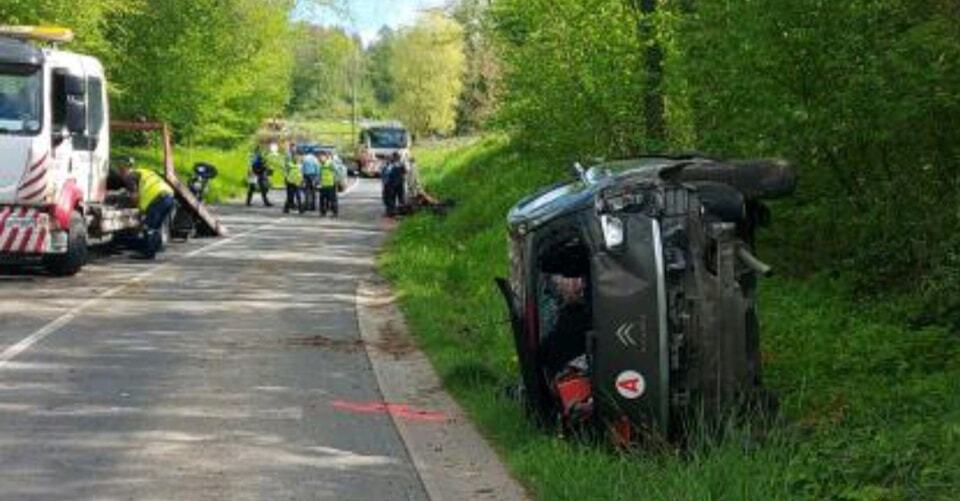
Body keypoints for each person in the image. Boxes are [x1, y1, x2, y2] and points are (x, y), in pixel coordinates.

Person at [118, 162, 176, 259]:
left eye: (121, 172)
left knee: (148, 226)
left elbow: (135, 196)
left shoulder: (130, 177)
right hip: (169, 196)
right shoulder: (144, 172)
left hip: (157, 199)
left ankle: (148, 253)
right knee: (156, 226)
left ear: (124, 170)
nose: (121, 176)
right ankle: (156, 247)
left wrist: (134, 207)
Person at [382, 152, 407, 217]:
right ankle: (401, 211)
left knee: (390, 198)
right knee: (401, 197)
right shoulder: (401, 164)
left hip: (391, 184)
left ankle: (391, 211)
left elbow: (386, 174)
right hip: (400, 183)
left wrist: (385, 183)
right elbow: (405, 172)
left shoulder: (390, 165)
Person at [281, 143, 304, 214]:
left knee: (298, 195)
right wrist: (285, 177)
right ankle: (286, 208)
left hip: (297, 181)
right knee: (290, 196)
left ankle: (300, 209)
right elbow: (285, 169)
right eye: (292, 147)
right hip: (290, 181)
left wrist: (302, 179)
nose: (297, 157)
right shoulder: (288, 159)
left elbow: (302, 172)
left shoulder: (300, 163)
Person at [317, 150, 340, 217]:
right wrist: (318, 182)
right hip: (323, 185)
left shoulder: (330, 163)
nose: (320, 158)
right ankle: (323, 212)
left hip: (331, 185)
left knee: (332, 200)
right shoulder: (321, 165)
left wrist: (336, 180)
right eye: (319, 157)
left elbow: (337, 171)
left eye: (321, 157)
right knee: (322, 199)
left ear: (325, 157)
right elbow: (320, 175)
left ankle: (335, 212)